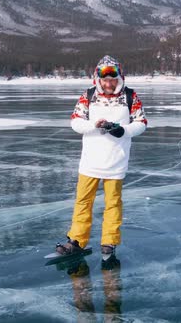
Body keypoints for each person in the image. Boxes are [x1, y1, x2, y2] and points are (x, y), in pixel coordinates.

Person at [56, 55, 148, 258]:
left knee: (113, 203)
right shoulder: (88, 96)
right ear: (98, 79)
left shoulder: (130, 97)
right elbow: (75, 121)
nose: (109, 83)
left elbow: (141, 122)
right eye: (105, 79)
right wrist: (93, 125)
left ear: (119, 78)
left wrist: (122, 130)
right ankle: (76, 241)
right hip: (90, 162)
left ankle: (109, 241)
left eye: (112, 79)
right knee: (83, 201)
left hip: (116, 162)